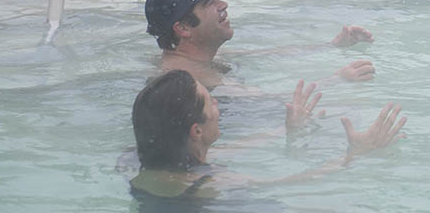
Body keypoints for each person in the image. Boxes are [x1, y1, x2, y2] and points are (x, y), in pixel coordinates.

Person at [130, 69, 406, 202]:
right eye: (208, 99)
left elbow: (239, 147)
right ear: (196, 131)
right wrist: (356, 155)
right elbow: (290, 183)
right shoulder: (207, 185)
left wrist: (287, 130)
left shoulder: (153, 162)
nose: (216, 103)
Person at [145, 0, 376, 90]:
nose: (223, 5)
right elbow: (272, 107)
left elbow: (265, 55)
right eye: (210, 2)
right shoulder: (194, 79)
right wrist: (337, 80)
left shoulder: (193, 58)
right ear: (183, 28)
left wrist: (331, 45)